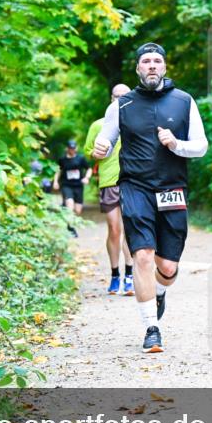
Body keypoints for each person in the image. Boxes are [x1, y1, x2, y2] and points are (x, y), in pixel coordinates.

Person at [92, 43, 208, 353]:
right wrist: (101, 147)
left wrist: (176, 144)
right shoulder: (122, 105)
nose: (153, 65)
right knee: (142, 255)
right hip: (135, 187)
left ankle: (159, 290)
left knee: (167, 266)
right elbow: (106, 137)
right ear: (138, 69)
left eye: (158, 60)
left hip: (172, 188)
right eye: (146, 61)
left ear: (165, 67)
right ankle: (151, 327)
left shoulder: (184, 101)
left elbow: (201, 146)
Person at [84, 84, 135, 296]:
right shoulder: (99, 125)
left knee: (131, 230)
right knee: (114, 229)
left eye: (125, 96)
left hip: (133, 182)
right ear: (111, 98)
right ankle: (115, 275)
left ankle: (129, 276)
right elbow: (88, 151)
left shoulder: (136, 121)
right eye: (117, 96)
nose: (121, 100)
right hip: (109, 182)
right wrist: (97, 153)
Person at [53, 140, 90, 237]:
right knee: (70, 205)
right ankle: (70, 227)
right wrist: (56, 181)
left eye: (73, 148)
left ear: (76, 148)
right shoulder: (62, 159)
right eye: (70, 148)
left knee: (78, 210)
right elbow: (58, 170)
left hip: (78, 186)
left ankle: (66, 211)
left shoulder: (80, 158)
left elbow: (89, 169)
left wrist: (86, 177)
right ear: (67, 149)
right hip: (66, 185)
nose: (72, 150)